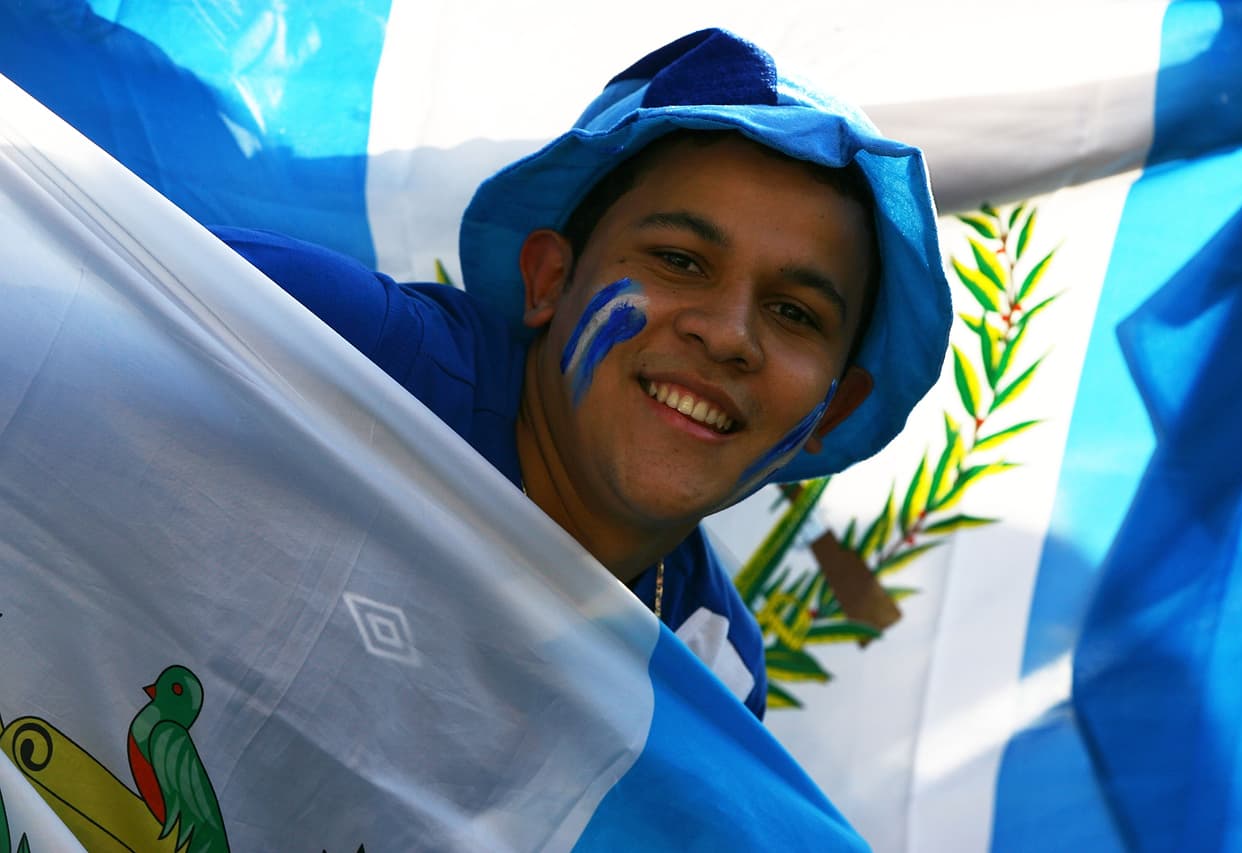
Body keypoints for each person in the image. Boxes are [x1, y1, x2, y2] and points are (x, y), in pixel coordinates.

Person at [216, 28, 951, 720]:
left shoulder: (711, 673)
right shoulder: (344, 349)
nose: (729, 333)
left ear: (831, 411)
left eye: (795, 312)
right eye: (680, 260)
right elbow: (106, 269)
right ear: (548, 282)